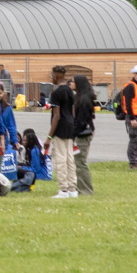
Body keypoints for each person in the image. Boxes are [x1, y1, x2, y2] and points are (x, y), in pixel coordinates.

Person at [47, 66, 80, 198]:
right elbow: (72, 111)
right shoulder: (70, 91)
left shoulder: (56, 94)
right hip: (70, 126)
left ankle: (63, 190)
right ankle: (73, 189)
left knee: (60, 159)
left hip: (60, 128)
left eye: (52, 75)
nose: (51, 78)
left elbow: (57, 116)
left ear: (56, 76)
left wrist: (49, 136)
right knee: (69, 158)